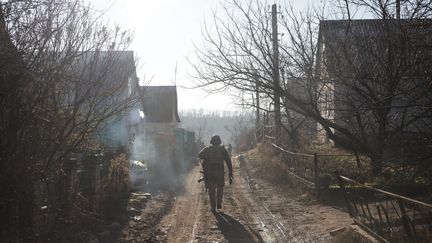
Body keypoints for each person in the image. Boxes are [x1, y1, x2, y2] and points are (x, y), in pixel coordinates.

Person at [198, 135, 233, 212]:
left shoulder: (207, 149)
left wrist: (206, 158)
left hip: (210, 173)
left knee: (211, 189)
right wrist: (230, 173)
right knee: (220, 187)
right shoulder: (222, 150)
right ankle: (219, 202)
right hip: (220, 172)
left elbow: (199, 155)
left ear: (211, 141)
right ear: (219, 141)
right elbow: (228, 162)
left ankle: (213, 206)